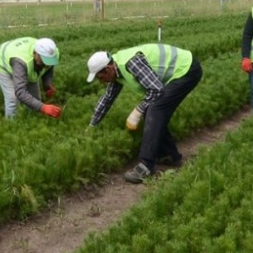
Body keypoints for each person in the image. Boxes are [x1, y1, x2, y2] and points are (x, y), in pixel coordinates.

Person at [87, 43, 203, 184]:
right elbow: (107, 99)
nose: (101, 82)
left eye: (101, 77)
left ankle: (146, 166)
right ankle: (170, 156)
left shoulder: (131, 63)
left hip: (186, 70)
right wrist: (92, 125)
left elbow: (156, 90)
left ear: (108, 68)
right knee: (154, 107)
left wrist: (138, 110)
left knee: (155, 108)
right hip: (180, 70)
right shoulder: (116, 71)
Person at [0, 37, 61, 119]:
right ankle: (10, 126)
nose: (47, 65)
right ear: (35, 53)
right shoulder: (20, 62)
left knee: (35, 100)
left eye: (50, 61)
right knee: (12, 99)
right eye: (44, 61)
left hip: (23, 59)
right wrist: (43, 107)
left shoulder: (53, 53)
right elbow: (20, 91)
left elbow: (49, 68)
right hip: (3, 61)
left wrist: (47, 84)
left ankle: (31, 122)